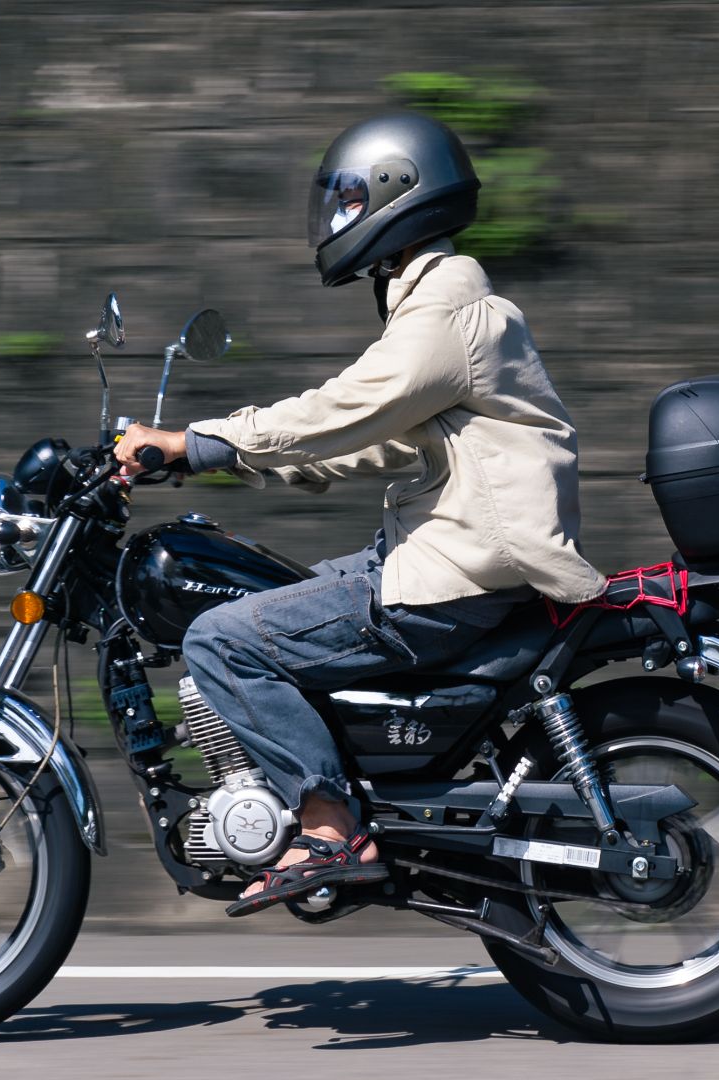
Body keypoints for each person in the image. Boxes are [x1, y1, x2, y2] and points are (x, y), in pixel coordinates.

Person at [116, 111, 605, 917]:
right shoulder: (437, 304)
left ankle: (331, 828)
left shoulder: (445, 308)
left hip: (458, 572)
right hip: (447, 554)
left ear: (398, 191)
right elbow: (372, 444)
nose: (335, 218)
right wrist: (222, 459)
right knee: (274, 604)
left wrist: (198, 440)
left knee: (222, 640)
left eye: (348, 198)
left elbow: (345, 410)